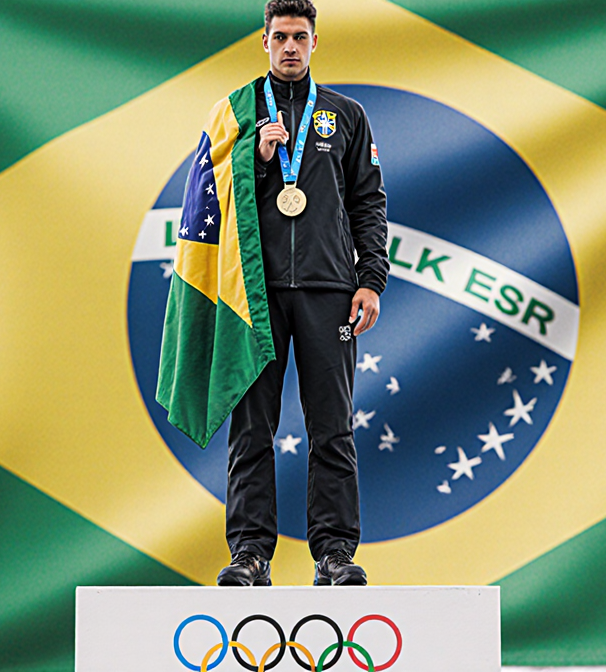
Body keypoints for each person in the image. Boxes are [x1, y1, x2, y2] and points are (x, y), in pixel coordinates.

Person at [217, 0, 389, 587]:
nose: (290, 47)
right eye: (280, 37)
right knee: (251, 428)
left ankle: (335, 555)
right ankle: (249, 555)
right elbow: (211, 199)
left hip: (329, 292)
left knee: (332, 425)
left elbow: (369, 202)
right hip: (255, 297)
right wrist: (260, 162)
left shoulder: (345, 116)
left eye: (300, 37)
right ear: (263, 42)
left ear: (316, 42)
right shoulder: (237, 115)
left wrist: (370, 280)